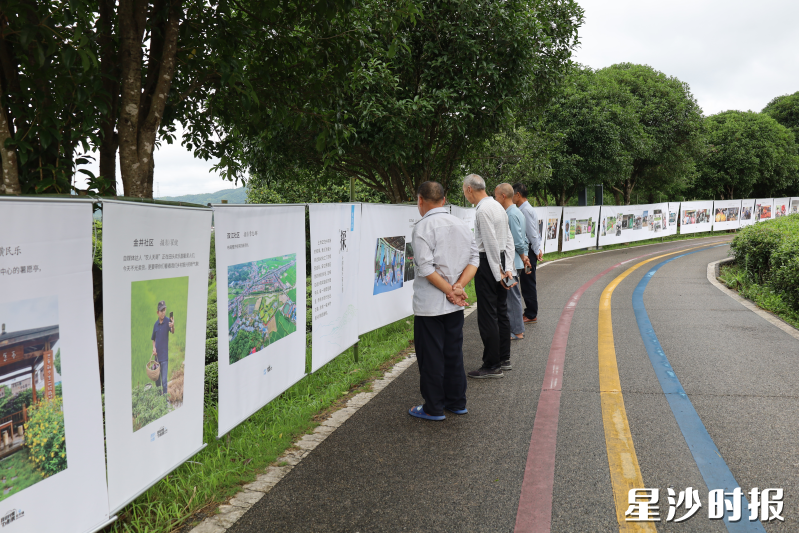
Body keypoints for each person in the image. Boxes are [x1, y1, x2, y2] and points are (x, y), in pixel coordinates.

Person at [408, 181, 478, 421]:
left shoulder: (422, 227)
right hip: (454, 305)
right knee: (453, 353)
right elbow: (474, 259)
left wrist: (450, 290)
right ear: (444, 199)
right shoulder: (460, 223)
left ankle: (433, 407)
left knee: (431, 357)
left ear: (420, 200)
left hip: (430, 306)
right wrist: (459, 287)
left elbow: (426, 269)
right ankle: (457, 402)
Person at [462, 174, 516, 379]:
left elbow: (490, 243)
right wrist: (507, 268)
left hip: (488, 262)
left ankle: (492, 364)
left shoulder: (483, 210)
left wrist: (497, 273)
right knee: (501, 311)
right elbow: (507, 239)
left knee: (488, 314)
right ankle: (503, 358)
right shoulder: (497, 206)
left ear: (469, 190)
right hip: (500, 260)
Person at [495, 183, 530, 341]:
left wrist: (523, 255)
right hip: (516, 260)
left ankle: (517, 331)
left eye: (496, 196)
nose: (495, 199)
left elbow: (516, 240)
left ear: (503, 196)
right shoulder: (517, 212)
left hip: (513, 262)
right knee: (512, 296)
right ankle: (516, 329)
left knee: (512, 297)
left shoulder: (510, 214)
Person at [512, 183, 543, 324]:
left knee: (528, 282)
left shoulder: (525, 211)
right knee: (526, 281)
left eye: (512, 194)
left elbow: (532, 233)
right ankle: (529, 311)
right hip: (529, 249)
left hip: (528, 251)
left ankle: (531, 313)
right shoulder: (526, 209)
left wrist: (536, 251)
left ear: (518, 194)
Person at [152, 300, 175, 396]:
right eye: (161, 310)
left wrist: (173, 326)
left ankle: (165, 402)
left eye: (164, 310)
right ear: (157, 312)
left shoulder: (167, 321)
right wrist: (154, 348)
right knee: (157, 382)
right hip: (157, 358)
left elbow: (172, 331)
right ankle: (159, 401)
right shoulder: (155, 325)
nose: (163, 312)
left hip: (164, 357)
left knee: (164, 382)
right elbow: (153, 339)